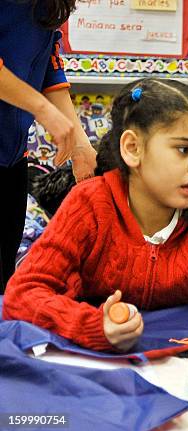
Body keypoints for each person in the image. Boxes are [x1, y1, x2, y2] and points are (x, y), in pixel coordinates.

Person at [3, 78, 188, 352]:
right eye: (183, 150)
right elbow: (23, 295)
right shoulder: (89, 205)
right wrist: (93, 324)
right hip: (98, 358)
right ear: (133, 148)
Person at [0, 0, 97, 292]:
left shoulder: (48, 4)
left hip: (11, 162)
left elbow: (50, 66)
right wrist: (42, 110)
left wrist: (80, 144)